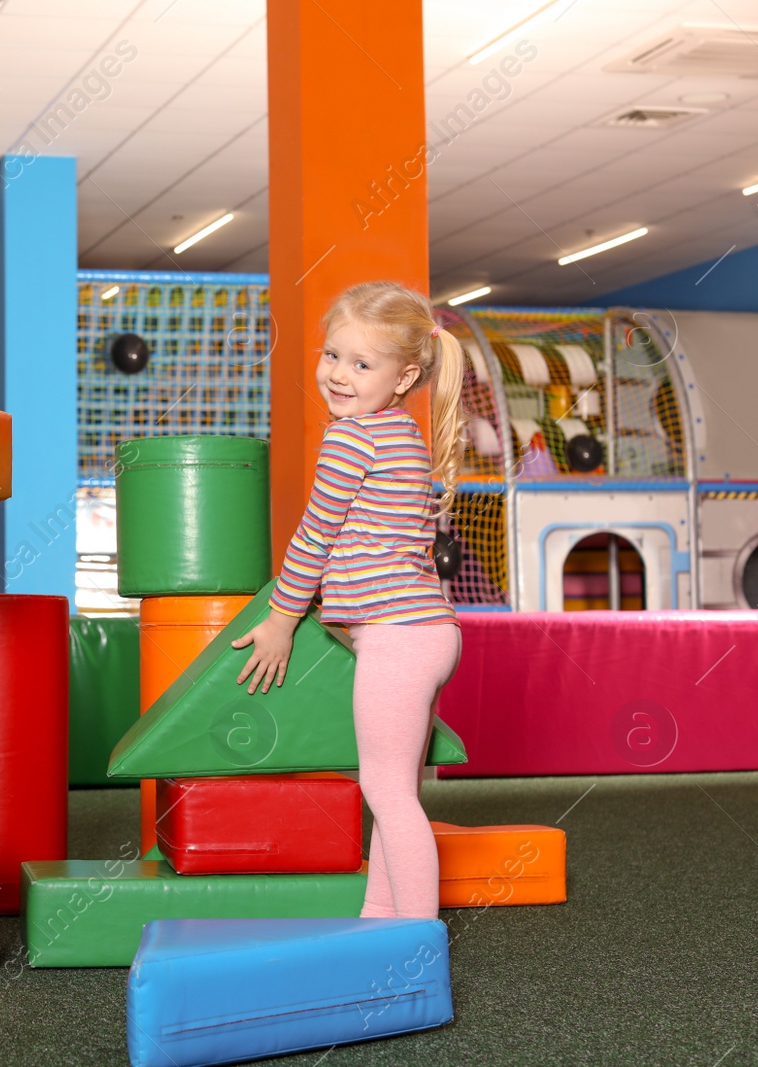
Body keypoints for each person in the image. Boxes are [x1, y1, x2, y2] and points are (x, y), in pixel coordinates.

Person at [231, 281, 465, 920]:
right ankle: (378, 922)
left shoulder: (350, 438)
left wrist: (282, 619)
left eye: (362, 364)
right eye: (332, 355)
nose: (337, 374)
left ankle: (414, 940)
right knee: (397, 793)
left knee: (387, 793)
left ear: (403, 376)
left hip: (397, 633)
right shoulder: (399, 435)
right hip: (428, 631)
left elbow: (315, 533)